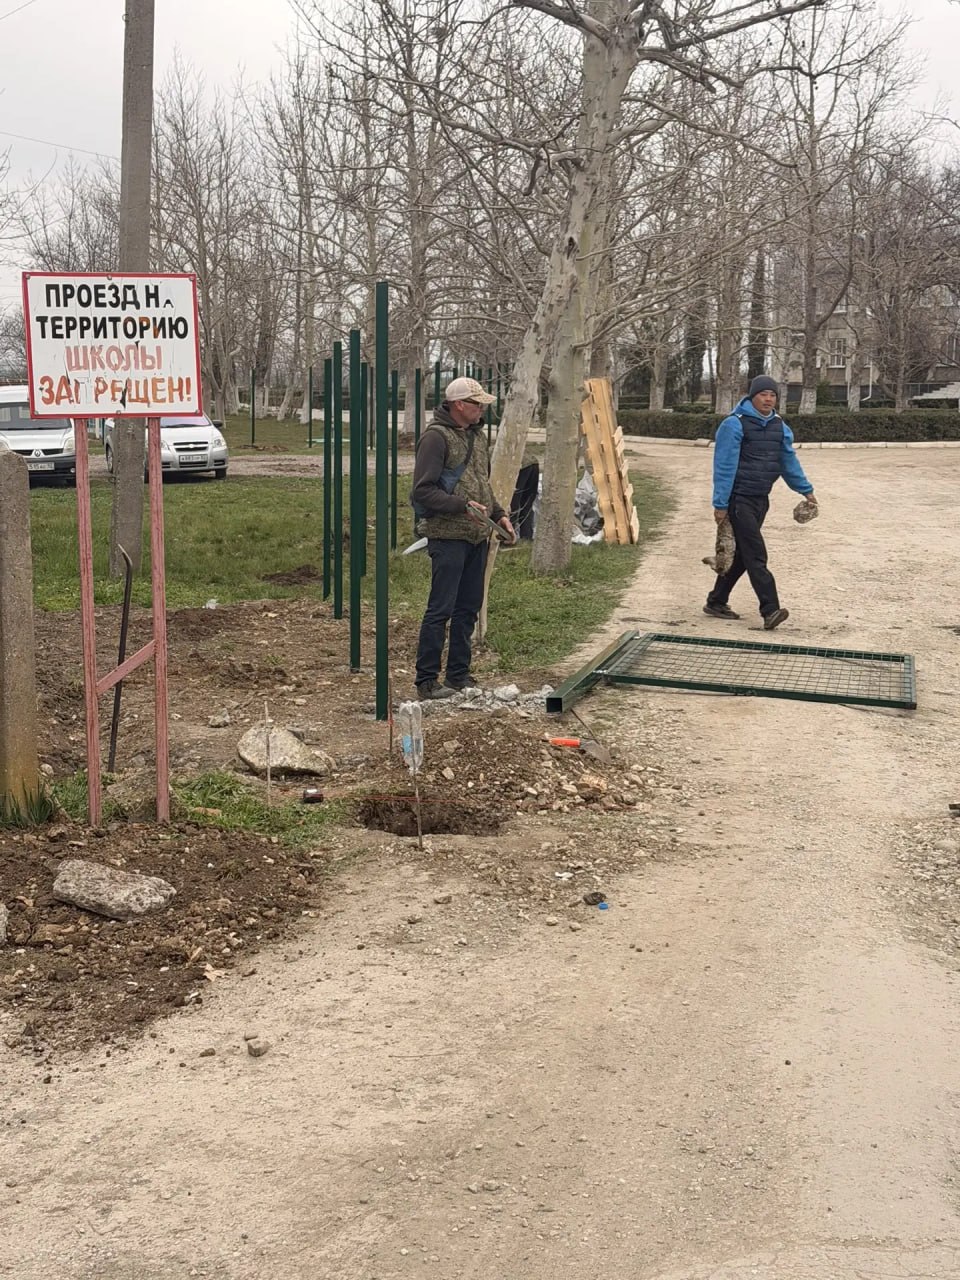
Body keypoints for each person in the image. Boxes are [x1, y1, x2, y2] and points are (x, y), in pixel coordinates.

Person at [411, 376, 515, 700]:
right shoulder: (435, 438)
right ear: (458, 405)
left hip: (476, 535)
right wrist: (461, 506)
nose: (482, 409)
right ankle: (427, 680)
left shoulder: (476, 436)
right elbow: (423, 491)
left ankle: (458, 674)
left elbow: (482, 484)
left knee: (468, 607)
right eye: (476, 403)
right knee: (440, 608)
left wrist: (499, 514)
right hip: (447, 536)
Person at [704, 374, 817, 630]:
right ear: (752, 396)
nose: (768, 399)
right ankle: (770, 610)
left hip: (760, 498)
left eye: (772, 395)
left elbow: (787, 460)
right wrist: (720, 504)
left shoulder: (779, 425)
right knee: (756, 554)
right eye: (763, 394)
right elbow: (724, 466)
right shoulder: (734, 424)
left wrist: (805, 490)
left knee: (743, 555)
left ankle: (716, 600)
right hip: (738, 499)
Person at [510, 450, 540, 541]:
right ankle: (526, 536)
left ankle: (508, 535)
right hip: (532, 461)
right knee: (527, 503)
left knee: (513, 503)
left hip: (519, 465)